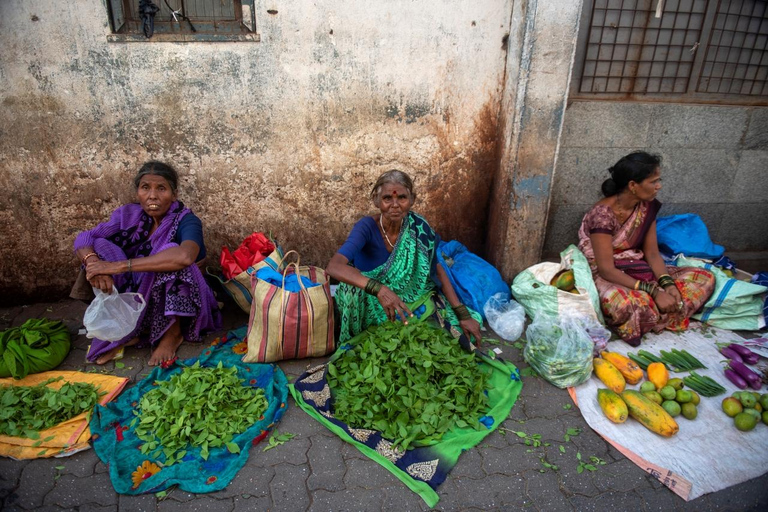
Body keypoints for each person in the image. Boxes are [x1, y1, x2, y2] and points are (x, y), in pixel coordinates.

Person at [73, 161, 222, 365]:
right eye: (146, 188)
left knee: (169, 252)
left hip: (183, 299)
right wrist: (95, 265)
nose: (153, 195)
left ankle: (173, 333)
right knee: (99, 245)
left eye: (161, 188)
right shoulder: (128, 216)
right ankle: (134, 329)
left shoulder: (187, 221)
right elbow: (85, 238)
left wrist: (118, 266)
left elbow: (186, 256)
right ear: (138, 193)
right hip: (139, 293)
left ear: (174, 194)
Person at [326, 169, 483, 348]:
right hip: (371, 299)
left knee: (456, 337)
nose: (395, 205)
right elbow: (334, 266)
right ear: (376, 201)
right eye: (387, 198)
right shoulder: (366, 227)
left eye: (401, 198)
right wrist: (380, 290)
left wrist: (463, 314)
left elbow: (436, 270)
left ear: (412, 200)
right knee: (386, 339)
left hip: (409, 298)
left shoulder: (418, 228)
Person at [577, 151, 715, 346]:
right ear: (633, 185)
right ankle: (663, 311)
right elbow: (606, 269)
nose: (658, 186)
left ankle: (657, 312)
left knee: (705, 278)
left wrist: (668, 284)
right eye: (653, 182)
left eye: (659, 180)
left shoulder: (646, 208)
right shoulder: (603, 214)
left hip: (636, 265)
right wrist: (655, 292)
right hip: (606, 273)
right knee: (628, 304)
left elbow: (651, 253)